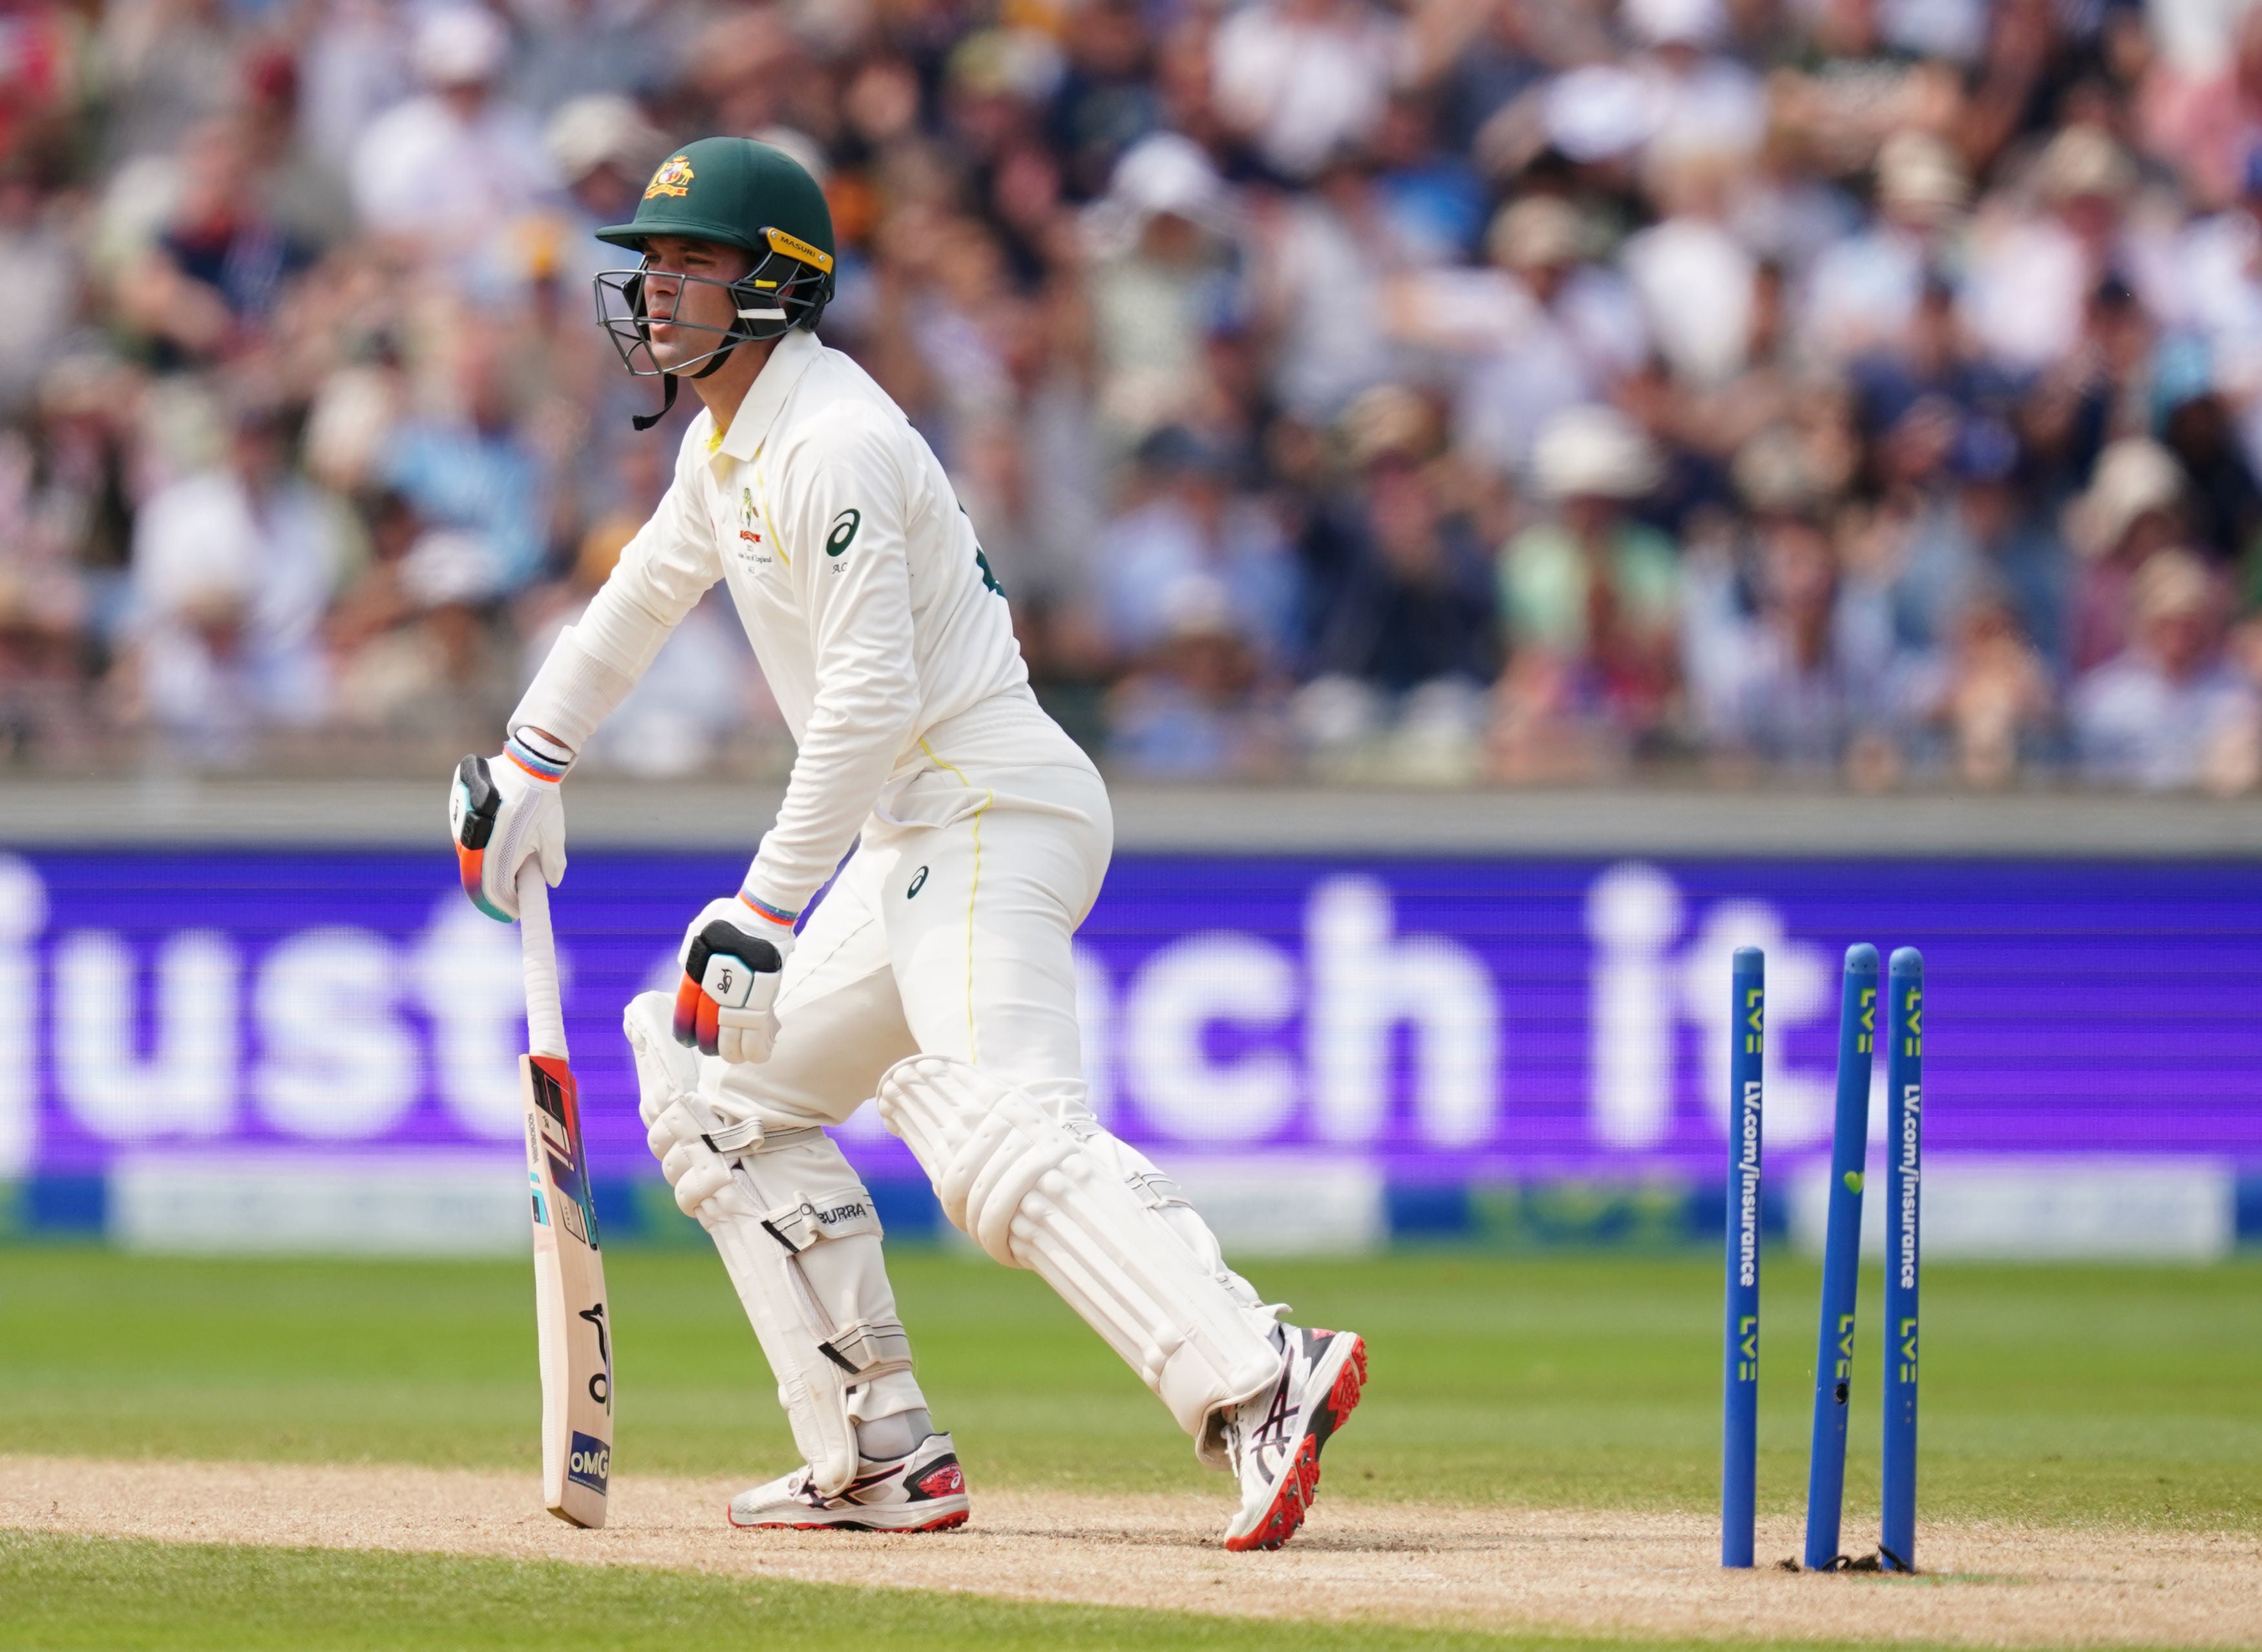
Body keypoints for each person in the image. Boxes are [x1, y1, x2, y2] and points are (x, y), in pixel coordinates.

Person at [445, 138, 1365, 1548]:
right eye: (657, 266)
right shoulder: (727, 444)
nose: (661, 292)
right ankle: (876, 1448)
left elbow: (871, 701)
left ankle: (1260, 1376)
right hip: (913, 836)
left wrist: (763, 908)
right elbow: (635, 600)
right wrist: (528, 756)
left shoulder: (839, 443)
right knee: (712, 1089)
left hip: (988, 807)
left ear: (780, 285)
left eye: (697, 266)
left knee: (989, 1127)